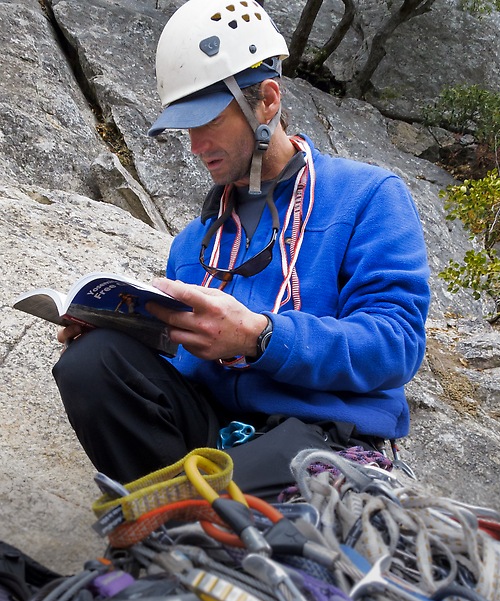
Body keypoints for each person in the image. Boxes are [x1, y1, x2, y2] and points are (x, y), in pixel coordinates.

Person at [53, 0, 431, 500]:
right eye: (186, 127)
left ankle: (173, 520)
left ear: (267, 101)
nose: (195, 145)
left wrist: (261, 337)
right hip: (218, 434)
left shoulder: (368, 196)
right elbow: (184, 364)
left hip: (319, 438)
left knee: (209, 498)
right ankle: (178, 515)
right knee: (92, 361)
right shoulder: (195, 242)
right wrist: (123, 334)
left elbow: (396, 344)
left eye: (208, 120)